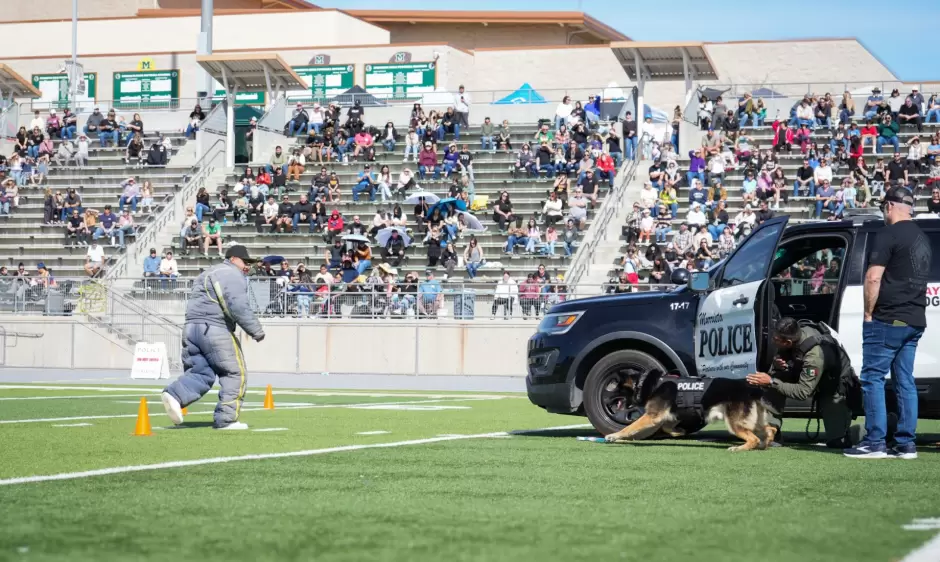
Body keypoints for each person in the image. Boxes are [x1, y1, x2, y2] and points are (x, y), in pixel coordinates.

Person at [845, 187, 931, 460]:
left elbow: (873, 278)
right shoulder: (922, 238)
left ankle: (875, 442)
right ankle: (906, 444)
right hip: (915, 318)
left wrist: (869, 314)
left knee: (872, 378)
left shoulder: (888, 234)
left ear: (890, 206)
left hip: (888, 318)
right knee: (905, 381)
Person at [161, 245, 265, 430]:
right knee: (235, 373)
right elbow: (237, 305)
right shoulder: (232, 274)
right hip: (215, 329)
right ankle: (227, 420)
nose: (247, 266)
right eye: (245, 262)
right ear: (233, 259)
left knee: (200, 372)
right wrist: (255, 330)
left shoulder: (208, 272)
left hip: (191, 328)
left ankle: (175, 395)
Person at [746, 317, 861, 449]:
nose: (773, 341)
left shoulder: (814, 355)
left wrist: (771, 381)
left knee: (837, 442)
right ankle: (771, 431)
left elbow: (803, 392)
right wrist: (778, 368)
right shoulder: (791, 336)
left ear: (788, 342)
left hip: (832, 385)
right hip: (805, 374)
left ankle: (859, 432)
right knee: (772, 384)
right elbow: (779, 371)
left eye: (776, 340)